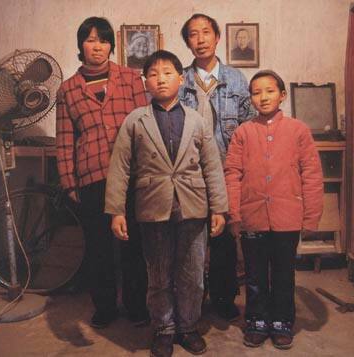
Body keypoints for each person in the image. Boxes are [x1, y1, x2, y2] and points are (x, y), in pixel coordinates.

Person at [105, 50, 228, 357]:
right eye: (154, 74)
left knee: (193, 274)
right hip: (153, 208)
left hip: (193, 208)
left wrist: (220, 209)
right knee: (158, 275)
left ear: (181, 78)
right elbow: (119, 167)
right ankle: (163, 328)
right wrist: (116, 210)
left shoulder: (196, 120)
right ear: (145, 81)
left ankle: (187, 326)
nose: (161, 79)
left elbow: (212, 166)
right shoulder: (136, 120)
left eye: (168, 73)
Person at [56, 16, 149, 329]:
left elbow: (144, 125)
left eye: (104, 40)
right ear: (81, 45)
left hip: (131, 174)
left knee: (133, 243)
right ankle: (105, 307)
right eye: (91, 40)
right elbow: (65, 138)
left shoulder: (131, 78)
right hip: (92, 175)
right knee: (98, 246)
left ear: (112, 45)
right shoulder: (68, 89)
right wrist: (69, 182)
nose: (97, 46)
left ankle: (137, 306)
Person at [225, 70, 324, 349]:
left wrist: (311, 216)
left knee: (283, 273)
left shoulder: (298, 130)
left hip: (287, 219)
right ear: (250, 99)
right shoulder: (243, 132)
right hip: (252, 217)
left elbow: (312, 175)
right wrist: (235, 213)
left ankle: (282, 320)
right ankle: (256, 320)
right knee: (254, 274)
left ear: (282, 95)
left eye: (269, 91)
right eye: (256, 92)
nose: (263, 97)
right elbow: (232, 173)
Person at [179, 13, 255, 321]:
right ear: (187, 42)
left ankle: (224, 298)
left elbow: (249, 126)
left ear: (217, 37)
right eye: (193, 35)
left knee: (223, 239)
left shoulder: (236, 79)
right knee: (192, 239)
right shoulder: (180, 78)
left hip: (226, 171)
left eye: (205, 33)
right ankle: (192, 300)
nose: (200, 39)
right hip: (189, 174)